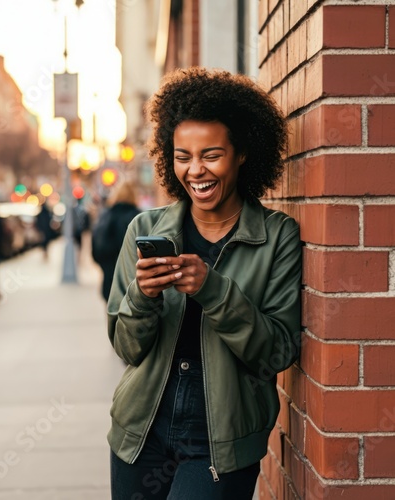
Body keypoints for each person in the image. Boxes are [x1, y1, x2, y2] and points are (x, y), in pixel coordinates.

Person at [107, 67, 302, 499]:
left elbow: (278, 351)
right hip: (141, 437)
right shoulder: (143, 230)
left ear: (242, 154)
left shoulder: (277, 237)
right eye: (182, 156)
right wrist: (143, 297)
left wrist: (212, 290)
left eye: (211, 154)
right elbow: (126, 347)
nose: (196, 170)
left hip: (220, 445)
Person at [91, 181, 140, 302]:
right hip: (133, 283)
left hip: (109, 280)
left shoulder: (105, 216)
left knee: (112, 317)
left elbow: (96, 248)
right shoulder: (138, 217)